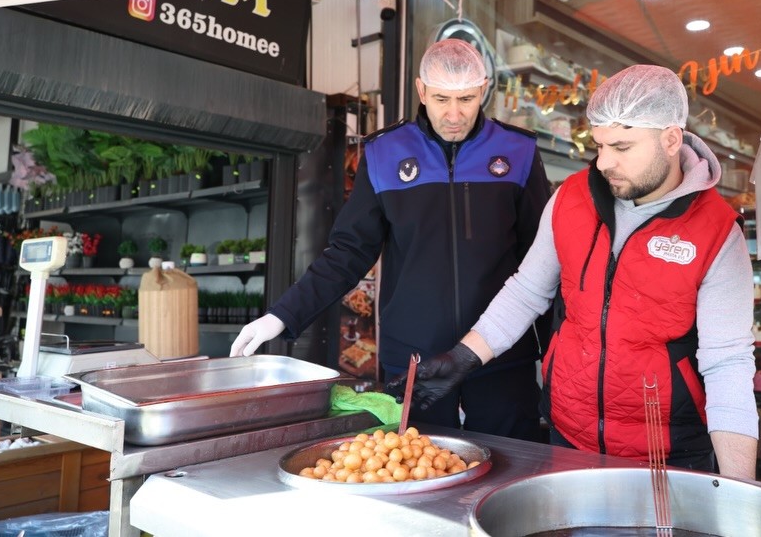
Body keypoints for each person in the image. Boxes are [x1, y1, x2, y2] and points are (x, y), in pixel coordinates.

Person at [403, 64, 758, 479]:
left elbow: (727, 364)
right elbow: (526, 292)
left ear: (670, 140)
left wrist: (740, 490)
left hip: (668, 455)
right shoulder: (571, 198)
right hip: (568, 438)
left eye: (622, 147)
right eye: (599, 144)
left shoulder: (716, 231)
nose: (604, 162)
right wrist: (464, 357)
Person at [230, 38, 551, 442]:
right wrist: (282, 315)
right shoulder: (385, 152)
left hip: (501, 356)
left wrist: (556, 352)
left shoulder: (518, 151)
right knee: (417, 465)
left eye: (467, 99)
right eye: (441, 99)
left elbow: (544, 262)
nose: (454, 114)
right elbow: (348, 251)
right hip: (415, 359)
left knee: (515, 464)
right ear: (421, 90)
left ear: (484, 89)